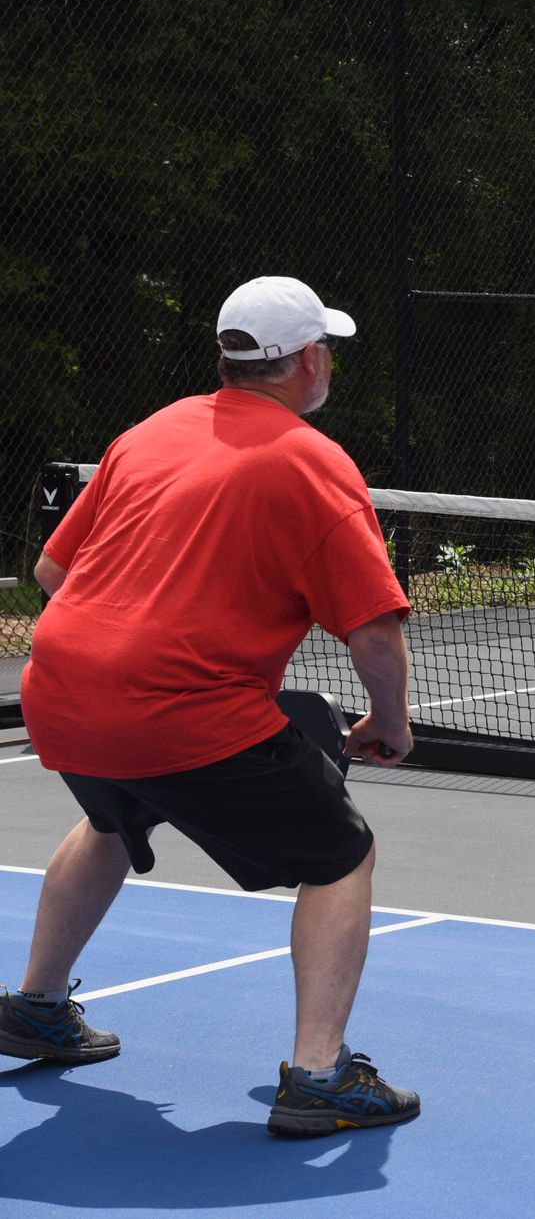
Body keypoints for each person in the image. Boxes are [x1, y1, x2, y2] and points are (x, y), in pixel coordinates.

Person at [1, 275, 422, 1137]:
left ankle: (35, 1006)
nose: (329, 361)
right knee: (341, 855)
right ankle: (321, 1076)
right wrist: (389, 721)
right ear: (307, 359)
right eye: (327, 349)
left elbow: (50, 573)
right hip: (180, 709)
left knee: (115, 820)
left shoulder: (150, 431)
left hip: (61, 690)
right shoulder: (313, 461)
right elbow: (374, 631)